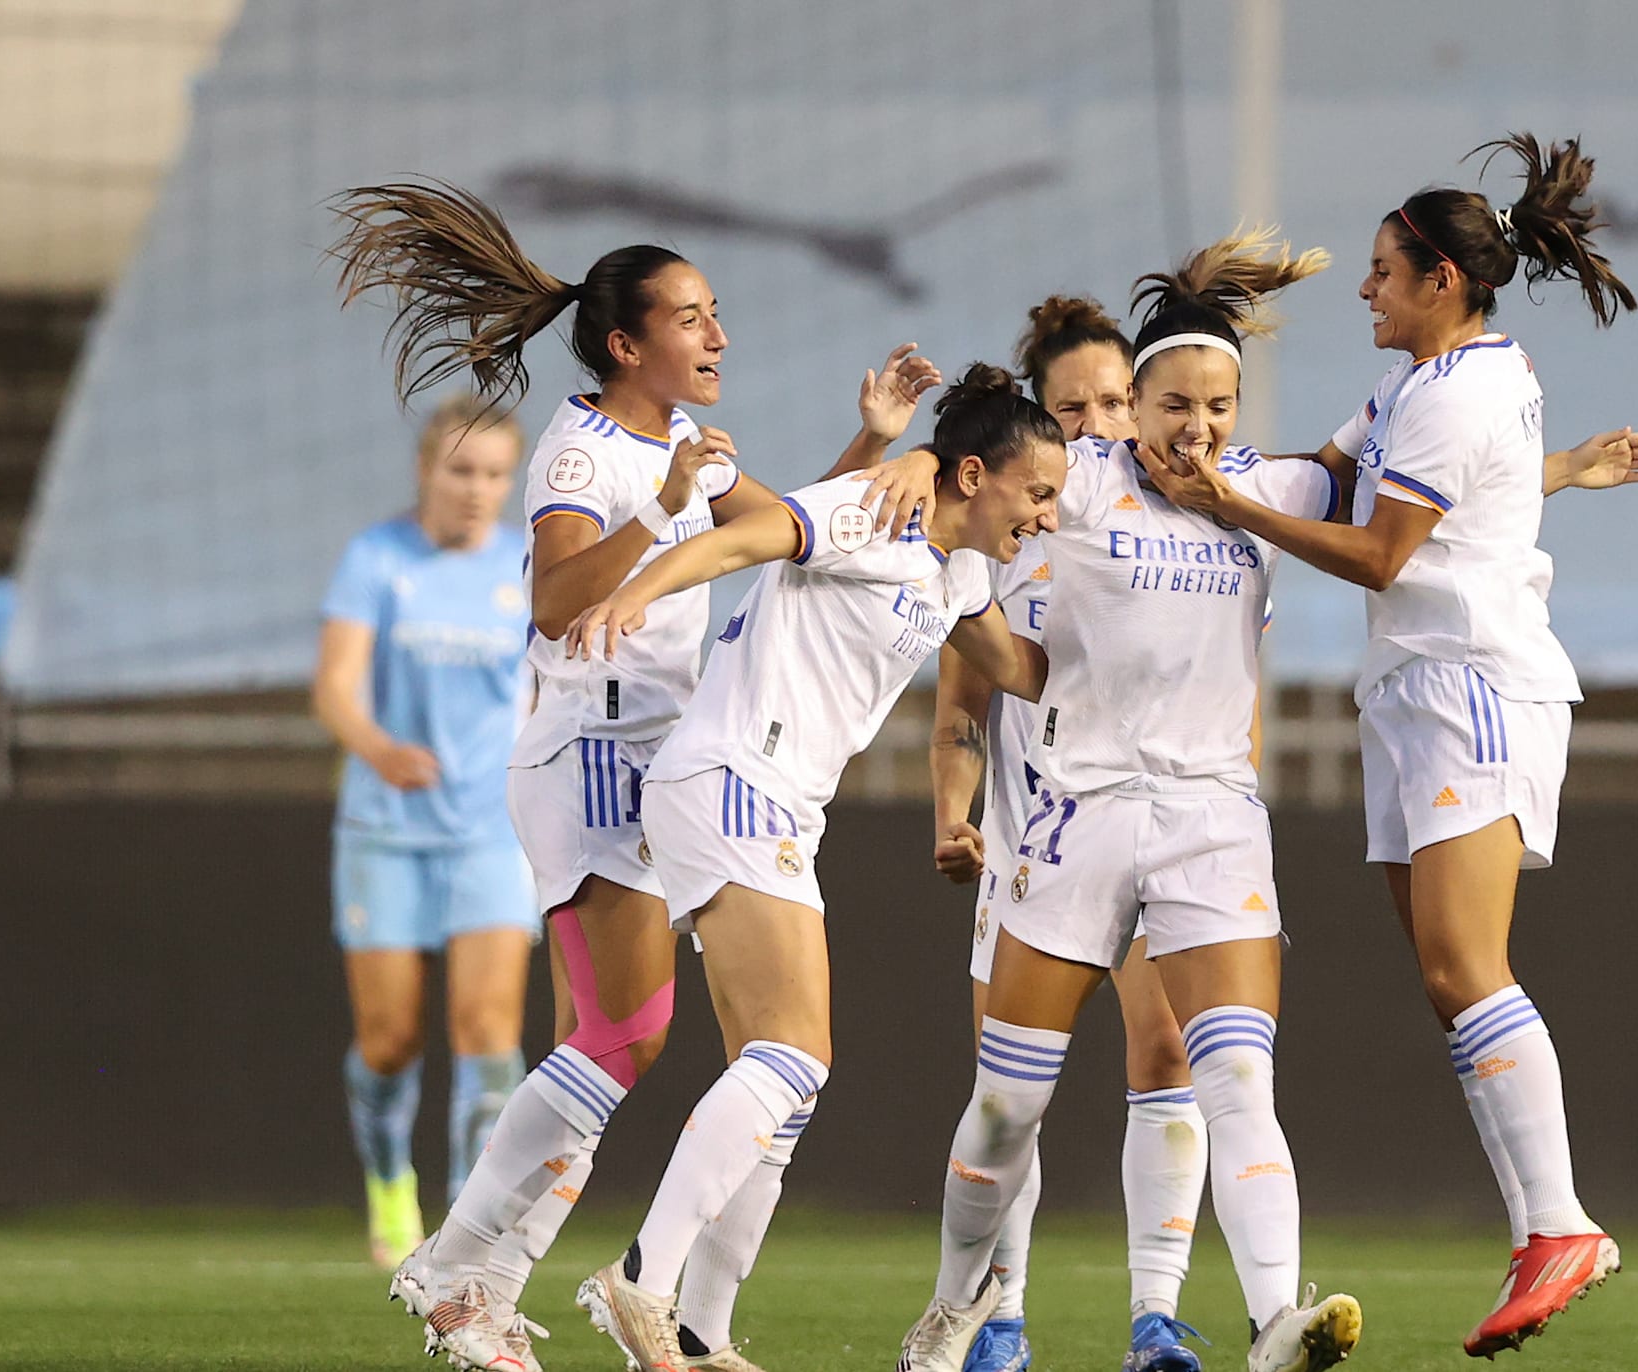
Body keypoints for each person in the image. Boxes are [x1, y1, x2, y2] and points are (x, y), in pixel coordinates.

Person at [329, 178, 938, 1372]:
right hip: (594, 753)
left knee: (612, 1039)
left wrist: (871, 441)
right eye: (694, 317)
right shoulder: (582, 451)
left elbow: (794, 538)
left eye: (715, 315)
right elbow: (556, 605)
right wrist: (658, 509)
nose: (718, 335)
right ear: (626, 343)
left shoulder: (682, 453)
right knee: (626, 1031)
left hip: (657, 761)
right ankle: (454, 1268)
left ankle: (485, 1285)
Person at [1132, 135, 1638, 1359]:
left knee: (1468, 962)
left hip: (1471, 686)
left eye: (1380, 270)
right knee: (1440, 969)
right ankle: (1543, 1228)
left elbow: (1378, 552)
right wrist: (1210, 473)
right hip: (1413, 694)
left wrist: (1226, 506)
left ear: (1439, 282)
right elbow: (1335, 472)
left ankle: (1562, 1223)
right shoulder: (1434, 379)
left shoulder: (1459, 387)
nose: (1364, 289)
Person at [900, 231, 1363, 1372]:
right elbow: (950, 507)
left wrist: (1550, 468)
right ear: (1130, 409)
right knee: (1007, 1109)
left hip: (1211, 819)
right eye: (1171, 404)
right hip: (1074, 820)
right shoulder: (1076, 486)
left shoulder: (1270, 488)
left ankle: (1272, 1325)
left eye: (1217, 404)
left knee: (1234, 1076)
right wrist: (951, 575)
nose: (1195, 425)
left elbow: (1410, 463)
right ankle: (957, 1315)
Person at [564, 364, 1061, 1372]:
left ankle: (698, 1332)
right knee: (795, 1056)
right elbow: (746, 539)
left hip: (779, 803)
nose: (1048, 516)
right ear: (973, 473)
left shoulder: (957, 570)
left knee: (783, 1088)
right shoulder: (875, 509)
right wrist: (633, 593)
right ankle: (640, 1279)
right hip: (732, 776)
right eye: (1038, 494)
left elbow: (1026, 672)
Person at [927, 297, 1211, 1372]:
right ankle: (998, 1318)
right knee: (1010, 1095)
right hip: (1026, 841)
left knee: (1168, 1045)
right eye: (1070, 406)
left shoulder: (1186, 519)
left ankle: (1154, 1318)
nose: (1095, 422)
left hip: (1150, 826)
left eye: (1110, 399)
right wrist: (952, 817)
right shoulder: (1009, 535)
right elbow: (961, 710)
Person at [311, 395, 535, 1267]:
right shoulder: (377, 559)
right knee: (389, 1038)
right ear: (425, 471)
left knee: (486, 1028)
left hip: (490, 829)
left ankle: (465, 1224)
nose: (477, 490)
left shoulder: (526, 562)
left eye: (493, 474)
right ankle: (388, 1182)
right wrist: (377, 747)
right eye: (461, 471)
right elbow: (335, 683)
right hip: (386, 825)